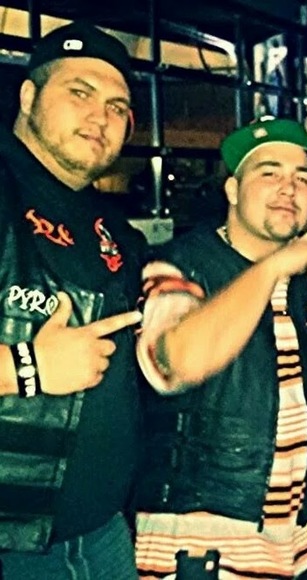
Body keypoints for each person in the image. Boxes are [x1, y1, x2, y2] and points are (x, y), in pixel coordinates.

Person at [133, 117, 307, 579]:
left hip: (291, 543)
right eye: (269, 172)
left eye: (301, 177)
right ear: (232, 190)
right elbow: (175, 363)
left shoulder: (305, 280)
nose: (288, 188)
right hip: (205, 546)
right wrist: (271, 268)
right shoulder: (179, 265)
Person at [0, 21, 146, 579]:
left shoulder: (111, 228)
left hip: (102, 533)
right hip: (14, 542)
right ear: (28, 97)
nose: (100, 117)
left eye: (116, 106)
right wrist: (28, 367)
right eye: (79, 93)